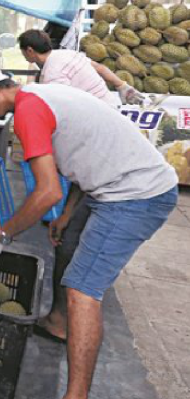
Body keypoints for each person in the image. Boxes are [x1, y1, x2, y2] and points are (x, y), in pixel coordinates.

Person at [0, 66, 177, 399]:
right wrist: (70, 216)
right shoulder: (42, 97)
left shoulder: (29, 110)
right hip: (108, 187)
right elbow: (81, 157)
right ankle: (58, 322)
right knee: (68, 244)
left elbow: (46, 193)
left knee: (82, 290)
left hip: (135, 196)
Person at [16, 28, 143, 342]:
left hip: (116, 172)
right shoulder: (66, 56)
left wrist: (2, 234)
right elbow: (98, 68)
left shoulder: (52, 83)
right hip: (103, 155)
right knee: (70, 236)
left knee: (74, 252)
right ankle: (61, 318)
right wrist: (122, 85)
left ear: (29, 53)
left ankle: (63, 322)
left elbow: (52, 187)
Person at [17, 29, 143, 106]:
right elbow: (100, 68)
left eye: (22, 51)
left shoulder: (52, 73)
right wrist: (122, 86)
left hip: (97, 115)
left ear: (30, 50)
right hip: (110, 104)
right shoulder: (68, 53)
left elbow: (65, 105)